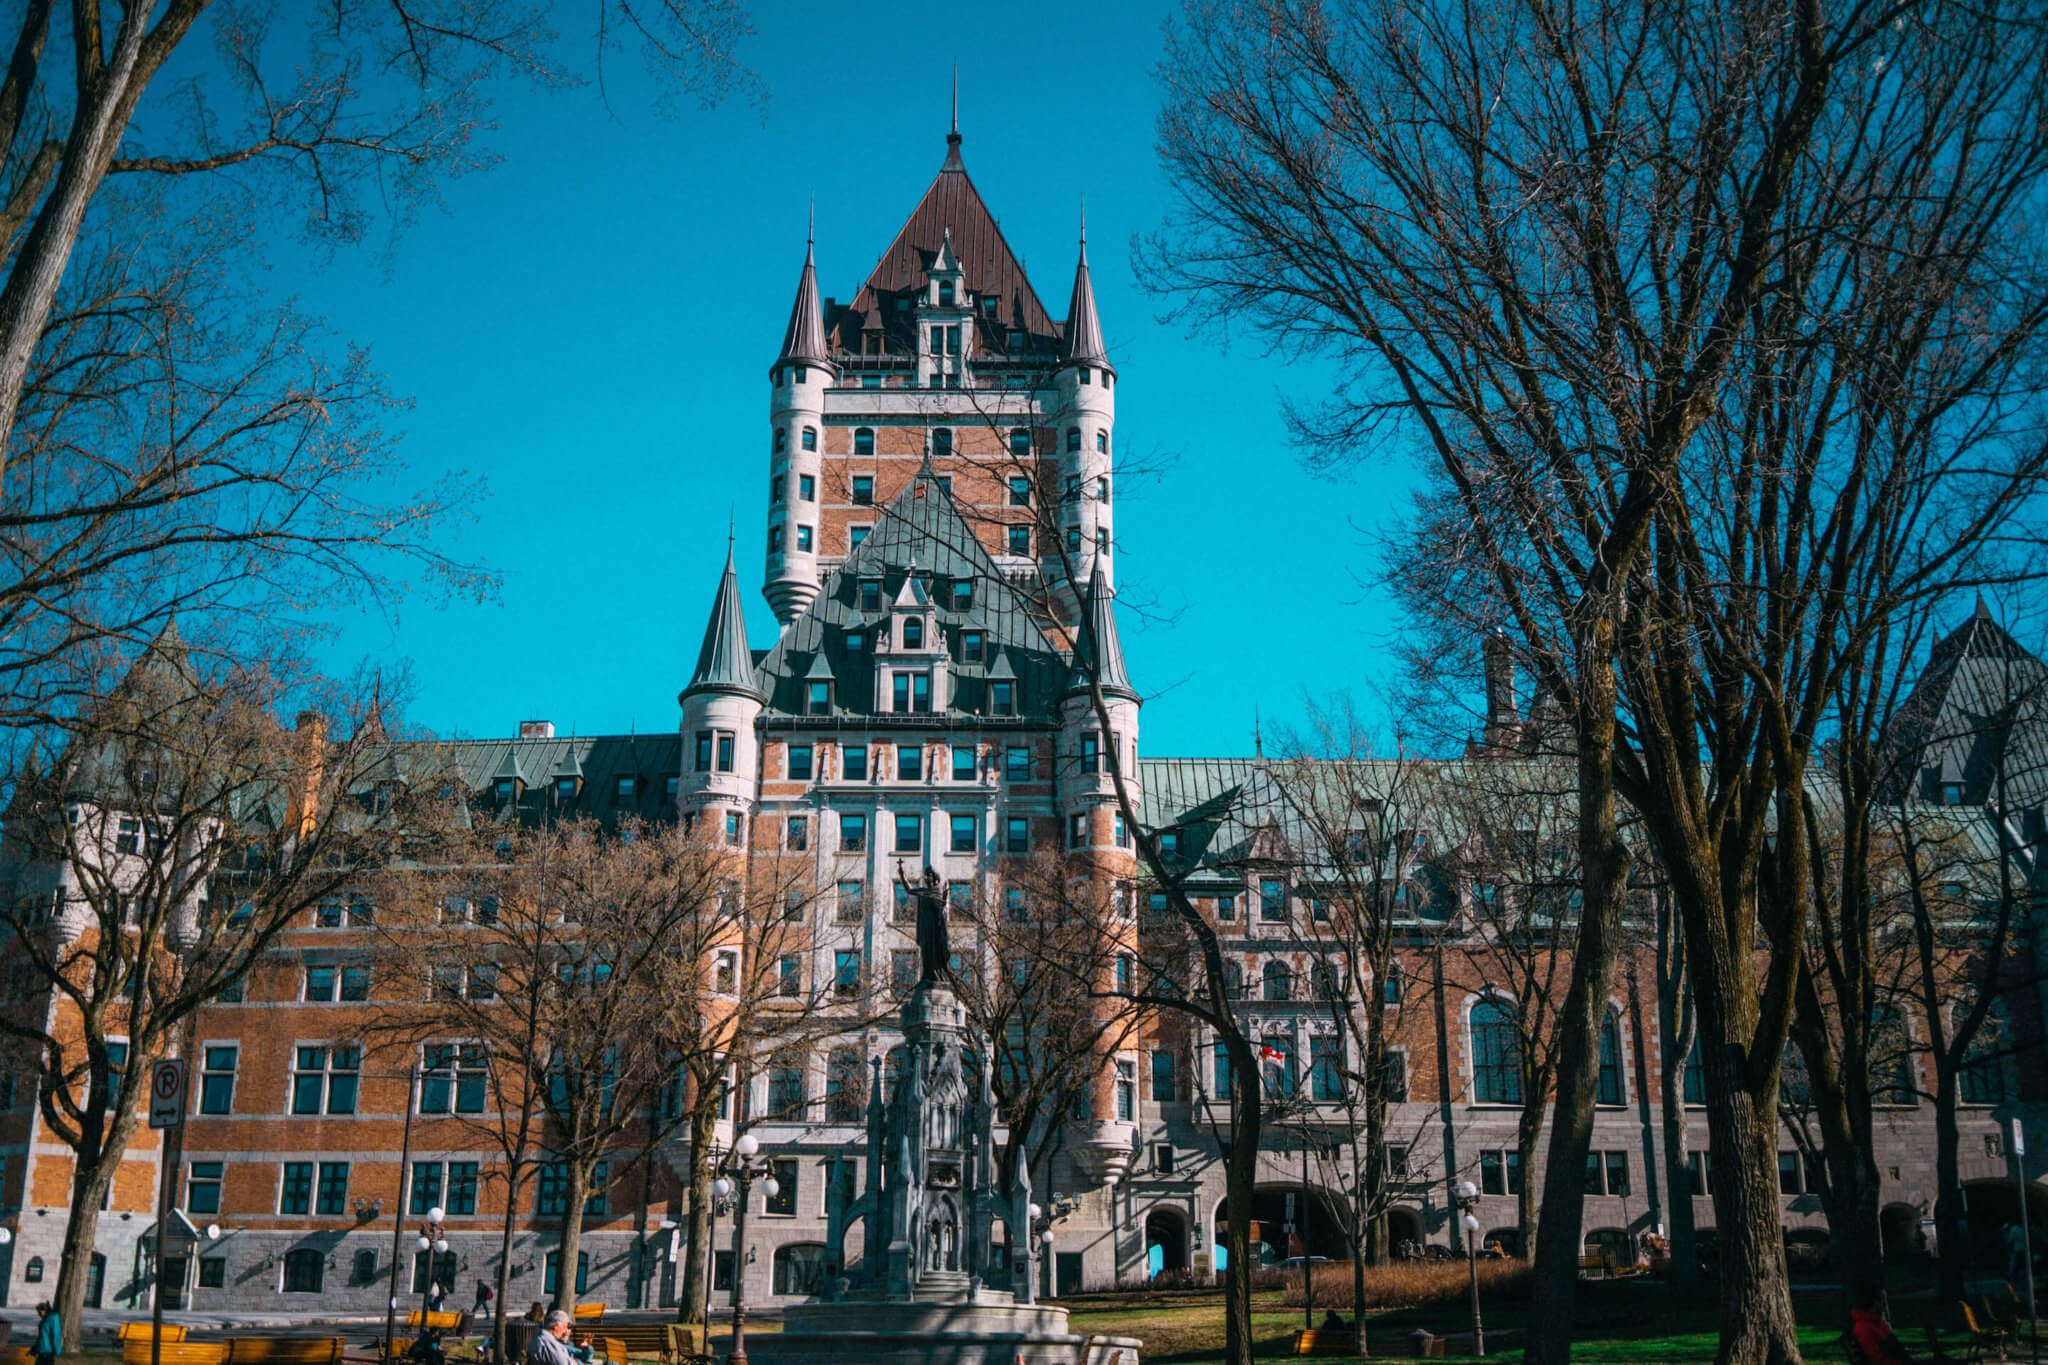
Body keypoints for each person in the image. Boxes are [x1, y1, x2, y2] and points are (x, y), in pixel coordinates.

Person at [1848, 1284, 1923, 1363]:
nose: (1885, 1304)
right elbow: (1877, 1359)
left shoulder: (1878, 1322)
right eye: (1882, 1300)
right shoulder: (1864, 1327)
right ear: (1874, 1302)